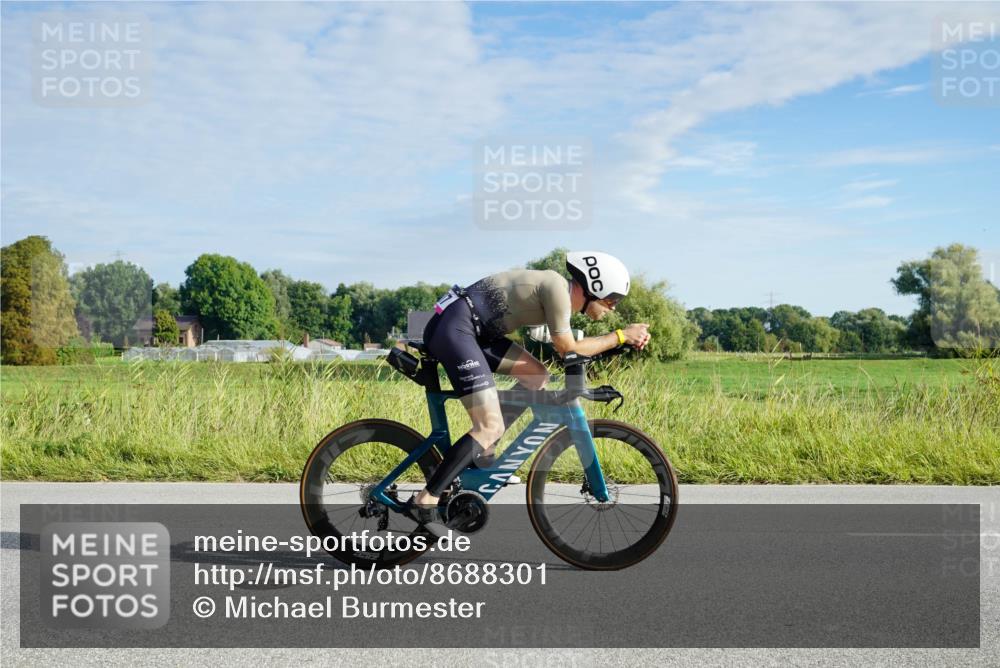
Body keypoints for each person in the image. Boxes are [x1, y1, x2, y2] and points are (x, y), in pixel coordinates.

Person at [403, 251, 651, 530]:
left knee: (536, 376)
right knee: (488, 426)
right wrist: (620, 336)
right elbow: (568, 349)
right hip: (456, 327)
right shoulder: (557, 289)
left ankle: (485, 456)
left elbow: (566, 348)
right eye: (612, 300)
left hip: (472, 328)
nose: (613, 308)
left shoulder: (558, 295)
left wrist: (619, 342)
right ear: (595, 288)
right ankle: (425, 500)